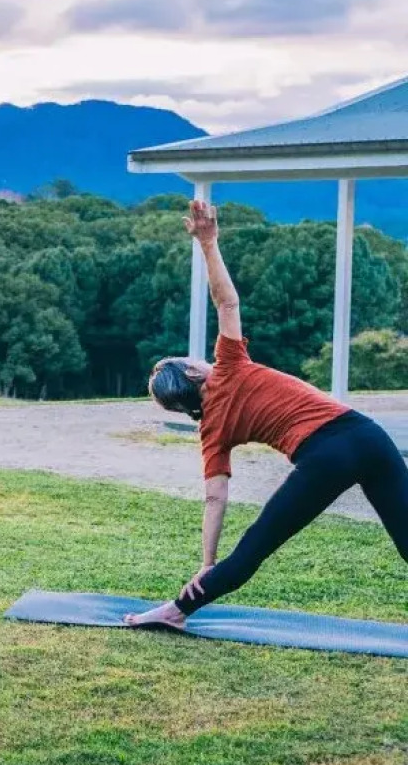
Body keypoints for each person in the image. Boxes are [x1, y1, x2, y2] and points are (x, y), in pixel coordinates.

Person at [127, 198, 408, 629]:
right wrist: (208, 243)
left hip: (327, 453)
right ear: (190, 370)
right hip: (368, 435)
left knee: (252, 551)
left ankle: (175, 611)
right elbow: (227, 304)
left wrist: (208, 561)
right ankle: (175, 612)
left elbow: (215, 497)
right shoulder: (229, 364)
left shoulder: (212, 431)